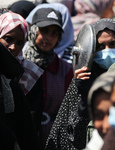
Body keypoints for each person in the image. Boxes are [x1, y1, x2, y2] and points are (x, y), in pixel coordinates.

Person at [45, 18, 115, 150]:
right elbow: (72, 137)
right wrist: (84, 98)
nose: (107, 51)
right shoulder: (82, 81)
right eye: (100, 47)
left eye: (113, 44)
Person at [23, 7, 73, 149]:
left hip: (54, 141)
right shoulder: (20, 64)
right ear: (33, 31)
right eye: (44, 31)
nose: (48, 38)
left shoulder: (65, 70)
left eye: (54, 33)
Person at [0, 11, 41, 150]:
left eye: (19, 43)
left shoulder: (30, 74)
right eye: (8, 39)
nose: (13, 47)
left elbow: (29, 124)